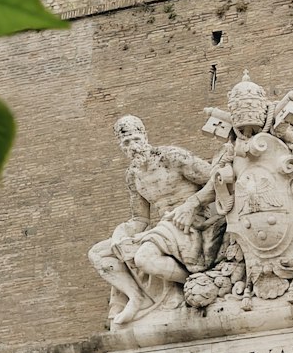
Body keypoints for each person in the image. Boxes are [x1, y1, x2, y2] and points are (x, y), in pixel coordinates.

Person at [88, 115, 219, 327]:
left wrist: (191, 204)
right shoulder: (133, 175)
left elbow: (219, 178)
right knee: (99, 253)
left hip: (194, 223)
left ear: (145, 137)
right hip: (164, 229)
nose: (132, 146)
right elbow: (140, 219)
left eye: (136, 139)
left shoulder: (172, 157)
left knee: (143, 259)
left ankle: (194, 283)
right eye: (126, 143)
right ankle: (135, 298)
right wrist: (120, 234)